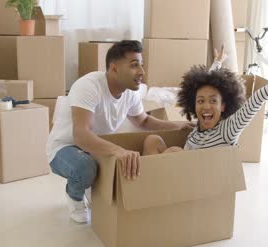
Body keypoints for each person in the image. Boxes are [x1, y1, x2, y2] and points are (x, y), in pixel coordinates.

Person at [46, 40, 194, 223]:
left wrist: (176, 126)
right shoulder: (89, 86)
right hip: (66, 147)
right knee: (85, 167)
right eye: (134, 65)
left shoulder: (130, 93)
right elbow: (81, 135)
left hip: (94, 147)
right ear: (114, 68)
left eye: (141, 65)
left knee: (116, 169)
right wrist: (118, 150)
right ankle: (74, 195)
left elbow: (144, 120)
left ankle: (88, 182)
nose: (141, 72)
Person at [142, 49, 268, 155]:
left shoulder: (228, 129)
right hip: (173, 175)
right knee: (153, 140)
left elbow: (261, 95)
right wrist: (218, 62)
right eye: (200, 101)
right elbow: (207, 82)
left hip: (196, 185)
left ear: (223, 106)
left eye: (213, 101)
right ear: (194, 105)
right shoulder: (197, 128)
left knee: (174, 152)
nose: (206, 106)